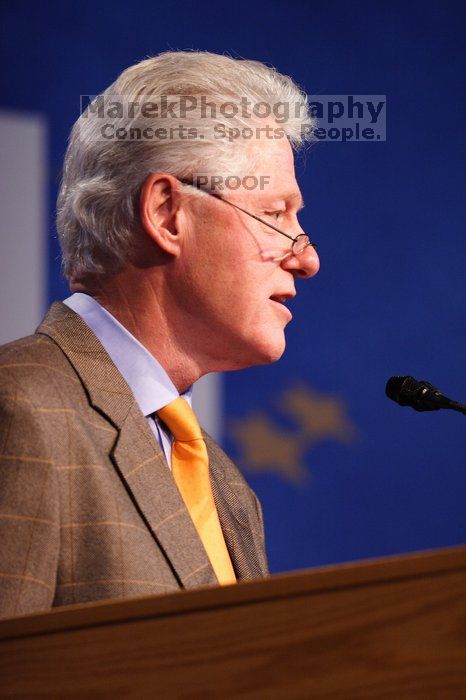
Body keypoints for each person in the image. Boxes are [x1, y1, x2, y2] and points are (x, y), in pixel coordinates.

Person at [0, 51, 319, 618]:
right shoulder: (22, 407)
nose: (308, 258)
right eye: (276, 214)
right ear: (168, 213)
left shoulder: (225, 485)